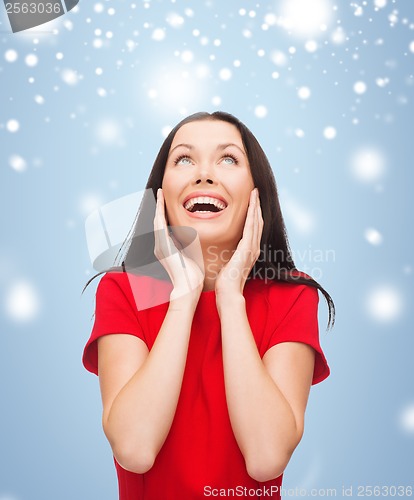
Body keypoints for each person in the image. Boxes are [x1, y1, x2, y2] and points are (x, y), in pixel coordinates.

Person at [82, 111, 335, 500]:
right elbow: (134, 449)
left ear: (257, 193)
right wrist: (183, 296)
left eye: (228, 159)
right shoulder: (123, 290)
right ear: (160, 194)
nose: (204, 174)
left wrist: (231, 298)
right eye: (184, 159)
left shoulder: (293, 297)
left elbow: (266, 458)